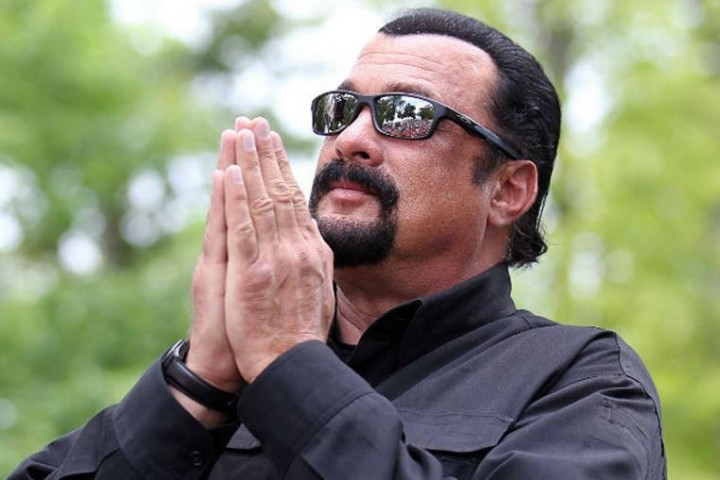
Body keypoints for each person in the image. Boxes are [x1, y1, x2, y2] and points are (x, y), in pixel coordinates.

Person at [11, 7, 666, 479]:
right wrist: (199, 383)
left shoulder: (581, 382)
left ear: (508, 190)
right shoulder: (219, 380)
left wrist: (289, 365)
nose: (351, 138)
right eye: (340, 110)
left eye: (407, 115)